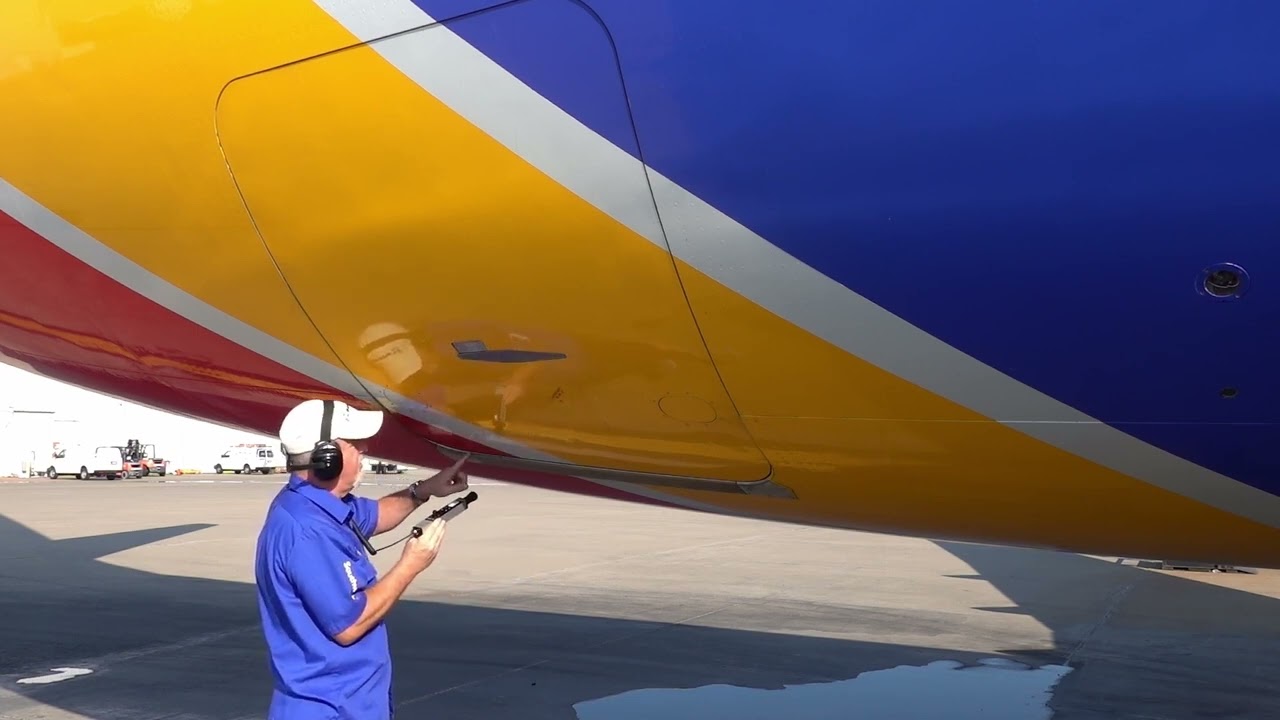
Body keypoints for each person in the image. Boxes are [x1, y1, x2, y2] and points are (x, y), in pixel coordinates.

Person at [254, 398, 470, 719]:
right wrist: (411, 564)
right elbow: (350, 624)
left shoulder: (320, 505)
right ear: (328, 458)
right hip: (330, 708)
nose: (364, 450)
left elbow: (377, 514)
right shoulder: (307, 531)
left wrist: (425, 489)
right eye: (354, 445)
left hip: (349, 703)